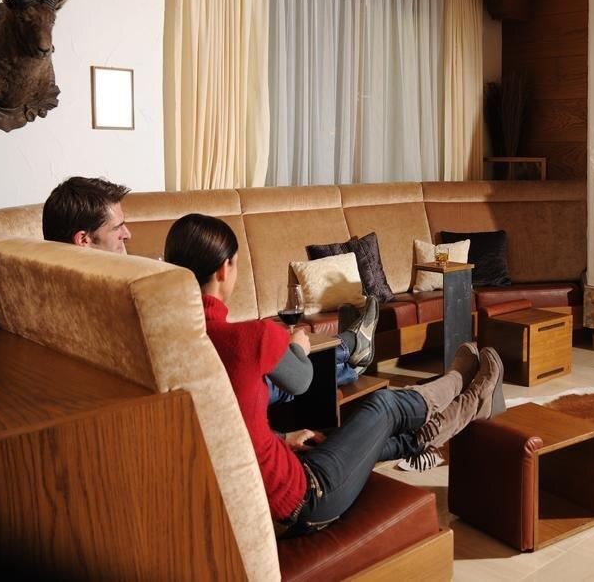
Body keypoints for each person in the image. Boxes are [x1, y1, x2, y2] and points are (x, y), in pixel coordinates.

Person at [164, 213, 505, 536]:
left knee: (348, 435)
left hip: (259, 497)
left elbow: (223, 424)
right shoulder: (247, 338)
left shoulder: (168, 347)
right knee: (382, 406)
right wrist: (296, 347)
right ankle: (460, 382)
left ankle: (451, 413)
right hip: (304, 499)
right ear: (224, 269)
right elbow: (301, 381)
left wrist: (281, 438)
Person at [41, 176, 373, 391]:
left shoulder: (74, 284)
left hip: (206, 369)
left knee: (275, 371)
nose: (127, 234)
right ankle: (350, 351)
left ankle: (349, 351)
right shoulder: (99, 299)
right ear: (83, 239)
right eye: (117, 228)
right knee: (275, 380)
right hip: (206, 383)